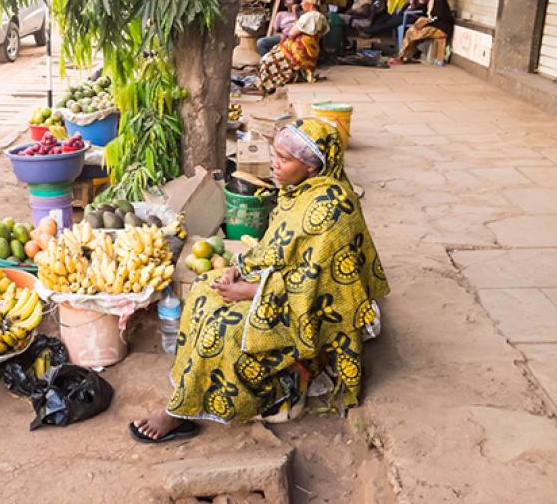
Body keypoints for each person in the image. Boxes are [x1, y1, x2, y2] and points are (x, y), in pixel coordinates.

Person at [130, 119, 390, 443]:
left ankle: (181, 410)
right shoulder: (298, 194)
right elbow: (275, 247)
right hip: (278, 284)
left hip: (308, 310)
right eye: (275, 154)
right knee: (202, 291)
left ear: (311, 167)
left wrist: (253, 291)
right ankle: (193, 386)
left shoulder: (333, 208)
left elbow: (322, 287)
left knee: (223, 328)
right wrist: (238, 269)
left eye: (285, 159)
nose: (274, 164)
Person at [257, 0, 330, 94]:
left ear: (309, 3)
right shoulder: (321, 17)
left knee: (268, 60)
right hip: (311, 50)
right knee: (266, 45)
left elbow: (292, 33)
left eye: (303, 1)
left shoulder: (308, 16)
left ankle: (270, 85)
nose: (301, 4)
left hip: (300, 51)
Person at [389, 0, 454, 66]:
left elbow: (437, 17)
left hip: (441, 28)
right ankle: (405, 56)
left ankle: (402, 57)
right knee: (411, 31)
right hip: (436, 26)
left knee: (412, 33)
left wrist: (425, 23)